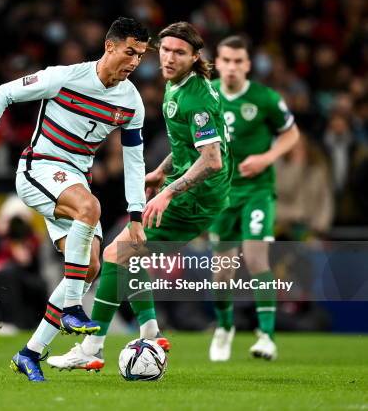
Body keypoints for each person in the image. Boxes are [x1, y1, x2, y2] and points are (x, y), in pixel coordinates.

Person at [0, 17, 149, 381]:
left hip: (73, 182)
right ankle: (72, 308)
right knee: (90, 208)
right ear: (109, 46)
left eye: (141, 55)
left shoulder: (131, 102)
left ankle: (29, 353)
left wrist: (136, 214)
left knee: (91, 266)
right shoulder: (64, 77)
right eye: (129, 51)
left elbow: (134, 160)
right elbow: (3, 92)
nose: (134, 61)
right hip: (39, 168)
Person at [48, 21, 232, 372]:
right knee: (129, 255)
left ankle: (93, 346)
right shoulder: (182, 86)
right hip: (195, 189)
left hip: (197, 196)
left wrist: (168, 193)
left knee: (117, 254)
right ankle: (151, 331)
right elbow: (188, 146)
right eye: (165, 49)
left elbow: (212, 159)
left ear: (195, 57)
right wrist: (162, 172)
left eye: (180, 52)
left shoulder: (195, 96)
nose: (169, 57)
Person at [207, 35, 300, 361]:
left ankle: (267, 336)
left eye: (238, 61)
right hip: (222, 192)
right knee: (222, 271)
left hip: (257, 191)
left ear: (248, 65)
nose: (232, 67)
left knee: (257, 258)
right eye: (226, 61)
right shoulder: (207, 93)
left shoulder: (265, 98)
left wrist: (266, 158)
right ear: (217, 63)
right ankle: (225, 326)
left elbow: (291, 134)